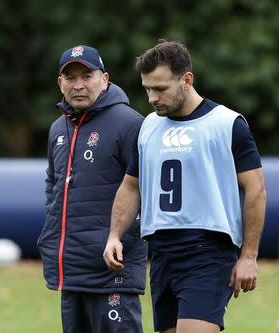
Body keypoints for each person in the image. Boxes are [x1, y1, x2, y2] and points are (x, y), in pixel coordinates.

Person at [103, 40, 267, 333]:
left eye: (161, 88)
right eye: (147, 89)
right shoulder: (149, 127)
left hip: (208, 251)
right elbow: (130, 187)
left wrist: (249, 256)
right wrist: (114, 235)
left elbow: (256, 190)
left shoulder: (227, 124)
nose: (152, 97)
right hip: (162, 253)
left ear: (186, 80)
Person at [37, 45, 148, 333]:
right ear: (60, 83)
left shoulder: (131, 124)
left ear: (105, 79)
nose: (78, 85)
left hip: (112, 271)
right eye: (70, 77)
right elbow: (54, 186)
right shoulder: (58, 129)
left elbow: (146, 193)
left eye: (87, 76)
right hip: (71, 271)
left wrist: (124, 240)